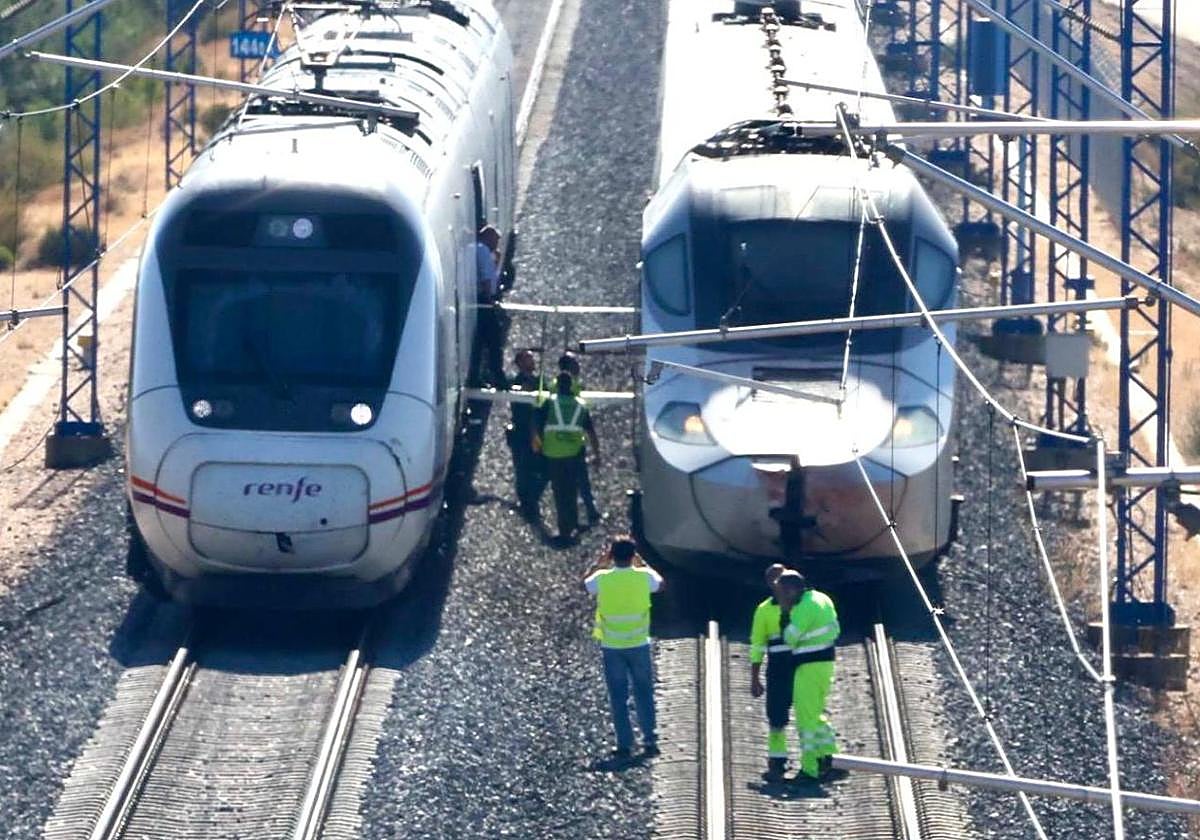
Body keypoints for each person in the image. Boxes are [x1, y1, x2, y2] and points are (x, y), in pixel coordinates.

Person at [584, 535, 663, 761]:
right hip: (638, 644)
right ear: (633, 555)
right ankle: (649, 740)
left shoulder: (602, 578)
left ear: (612, 555)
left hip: (612, 646)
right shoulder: (644, 576)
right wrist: (642, 563)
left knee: (618, 697)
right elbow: (661, 583)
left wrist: (600, 562)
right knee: (644, 693)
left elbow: (585, 584)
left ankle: (624, 744)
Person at [779, 570, 841, 782]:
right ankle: (831, 759)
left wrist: (786, 614)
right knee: (815, 714)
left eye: (783, 592)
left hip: (809, 666)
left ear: (792, 589)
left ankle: (810, 769)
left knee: (806, 721)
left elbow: (789, 639)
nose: (782, 598)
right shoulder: (822, 598)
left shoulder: (803, 608)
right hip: (824, 664)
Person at [532, 372, 600, 543]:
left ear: (557, 385)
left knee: (560, 491)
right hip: (574, 452)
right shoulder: (581, 406)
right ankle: (574, 523)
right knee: (572, 489)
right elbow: (591, 432)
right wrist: (597, 454)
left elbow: (536, 425)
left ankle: (564, 529)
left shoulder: (549, 402)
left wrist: (536, 445)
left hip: (553, 452)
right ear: (571, 385)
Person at [749, 563, 797, 782]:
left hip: (803, 664)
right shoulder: (764, 610)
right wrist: (755, 677)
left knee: (808, 713)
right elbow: (758, 644)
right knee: (776, 716)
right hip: (778, 666)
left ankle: (815, 761)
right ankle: (777, 760)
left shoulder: (805, 604)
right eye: (775, 579)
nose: (779, 583)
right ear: (769, 583)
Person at [558, 351, 601, 524]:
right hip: (573, 442)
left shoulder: (556, 385)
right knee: (579, 481)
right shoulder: (573, 388)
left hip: (556, 443)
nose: (579, 366)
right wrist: (597, 452)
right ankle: (587, 513)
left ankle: (573, 516)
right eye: (576, 363)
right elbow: (585, 420)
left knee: (566, 483)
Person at [506, 349, 546, 521]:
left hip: (538, 432)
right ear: (520, 363)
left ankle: (532, 500)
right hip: (522, 433)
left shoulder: (539, 381)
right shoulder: (517, 383)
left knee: (543, 469)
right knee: (523, 470)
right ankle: (527, 504)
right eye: (528, 359)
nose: (532, 362)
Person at [471, 225, 506, 386]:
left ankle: (477, 375)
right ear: (489, 237)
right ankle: (497, 375)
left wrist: (497, 262)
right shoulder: (483, 251)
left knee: (480, 341)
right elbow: (486, 279)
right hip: (485, 300)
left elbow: (491, 277)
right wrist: (490, 299)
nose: (497, 245)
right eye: (496, 240)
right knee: (494, 339)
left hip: (482, 299)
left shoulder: (481, 251)